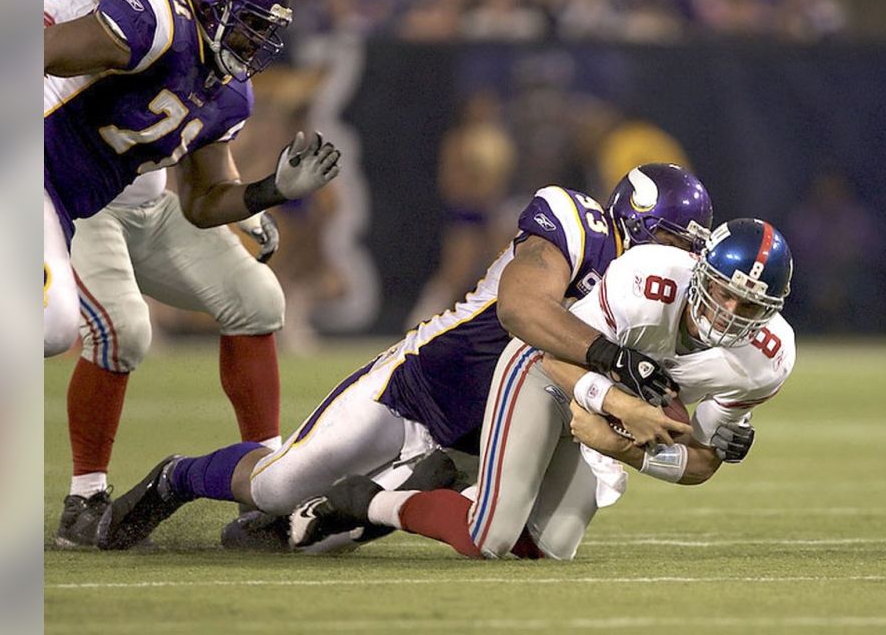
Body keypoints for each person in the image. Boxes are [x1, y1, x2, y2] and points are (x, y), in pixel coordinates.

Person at [94, 164, 715, 552]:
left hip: (485, 438)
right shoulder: (576, 225)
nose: (679, 263)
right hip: (422, 385)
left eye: (690, 252)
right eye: (670, 243)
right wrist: (613, 357)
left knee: (318, 541)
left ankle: (285, 529)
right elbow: (522, 312)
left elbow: (662, 409)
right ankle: (177, 477)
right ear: (636, 224)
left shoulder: (669, 304)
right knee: (279, 484)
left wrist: (699, 435)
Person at [292, 218, 796, 561]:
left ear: (772, 310)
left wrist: (621, 447)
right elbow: (555, 355)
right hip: (546, 374)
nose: (729, 313)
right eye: (725, 293)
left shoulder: (767, 358)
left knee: (549, 548)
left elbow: (701, 462)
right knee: (489, 536)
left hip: (604, 416)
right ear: (700, 272)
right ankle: (363, 501)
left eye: (749, 306)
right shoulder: (649, 277)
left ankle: (450, 481)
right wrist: (614, 404)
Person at [46, 0, 293, 547]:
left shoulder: (224, 76)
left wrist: (263, 195)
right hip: (74, 197)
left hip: (150, 203)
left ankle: (273, 479)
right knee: (121, 329)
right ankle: (85, 495)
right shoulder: (117, 8)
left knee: (259, 297)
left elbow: (205, 192)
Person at [43, 0, 342, 361]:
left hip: (63, 201)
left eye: (266, 30)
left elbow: (203, 202)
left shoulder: (232, 94)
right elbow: (43, 51)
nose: (256, 42)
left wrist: (272, 190)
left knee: (51, 327)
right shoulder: (158, 17)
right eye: (250, 24)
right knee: (55, 325)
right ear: (213, 3)